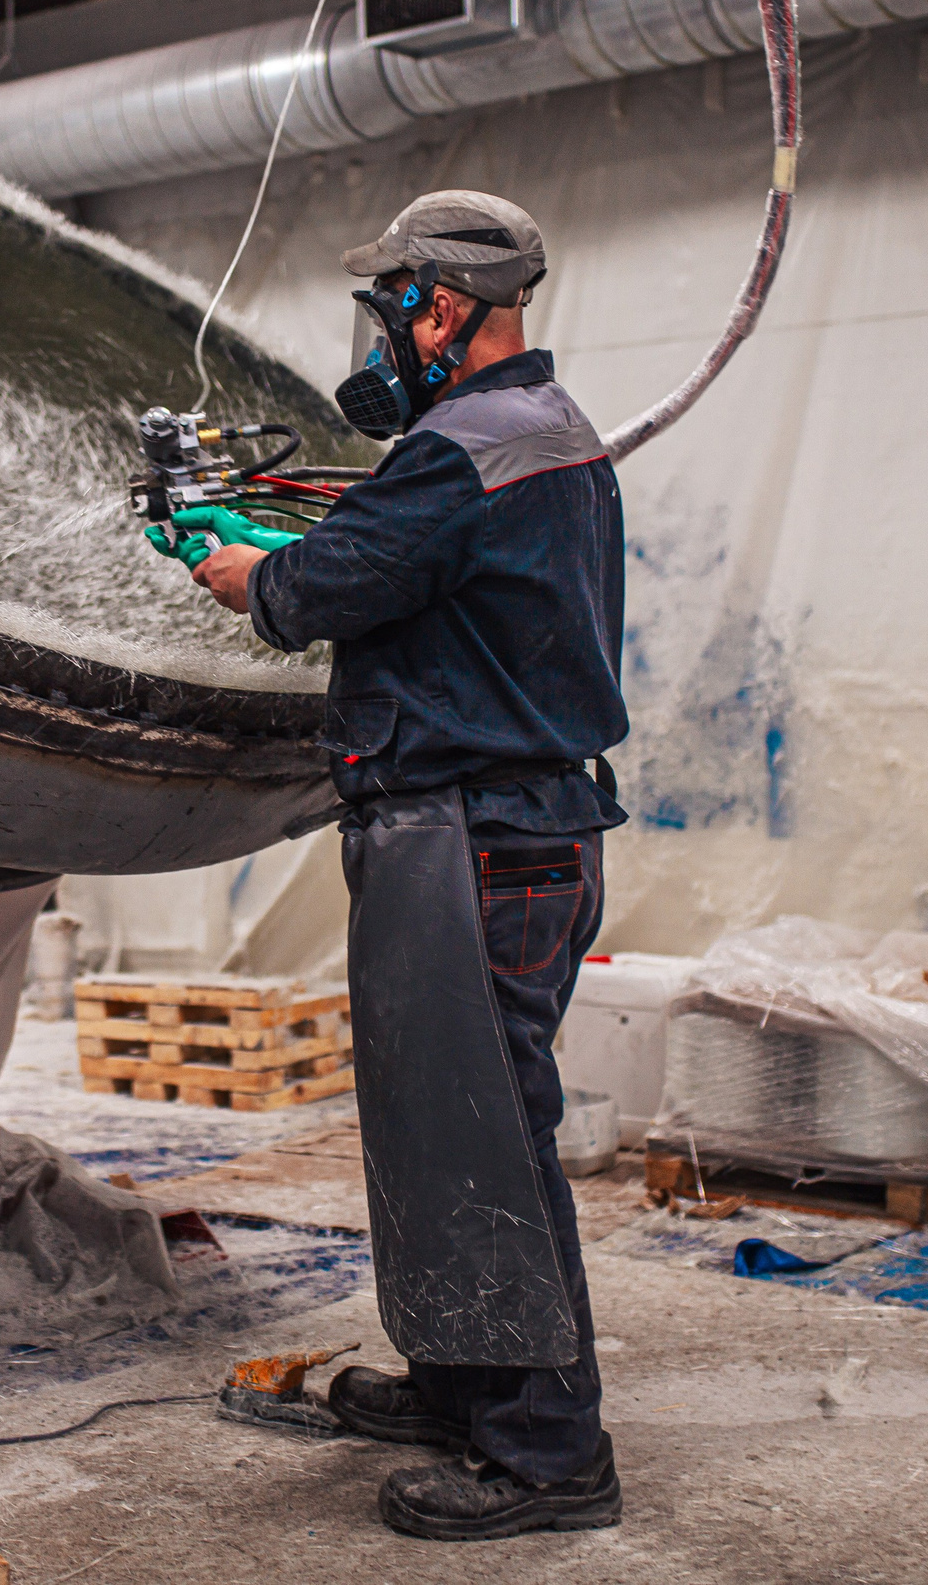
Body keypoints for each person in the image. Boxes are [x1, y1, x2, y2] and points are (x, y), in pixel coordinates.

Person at [178, 190, 627, 1541]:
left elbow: (301, 598)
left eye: (391, 309)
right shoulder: (549, 435)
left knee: (488, 1142)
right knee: (446, 1133)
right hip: (516, 833)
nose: (380, 338)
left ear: (441, 308)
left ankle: (550, 1454)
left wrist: (215, 554)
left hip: (473, 842)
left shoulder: (456, 455)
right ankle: (460, 1386)